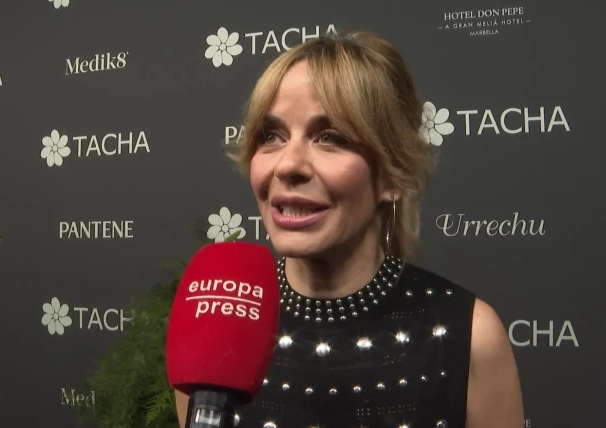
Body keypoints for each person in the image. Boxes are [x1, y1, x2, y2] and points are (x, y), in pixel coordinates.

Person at [175, 30, 523, 428]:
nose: (288, 165)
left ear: (394, 174)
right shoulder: (217, 324)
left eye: (330, 137)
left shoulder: (471, 337)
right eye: (270, 136)